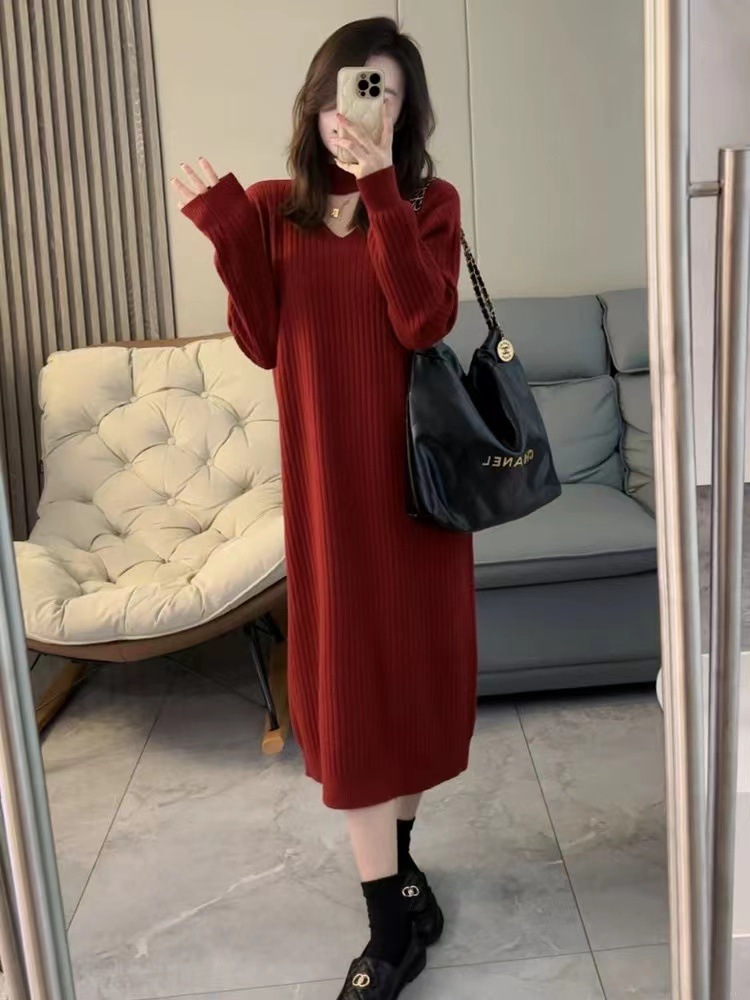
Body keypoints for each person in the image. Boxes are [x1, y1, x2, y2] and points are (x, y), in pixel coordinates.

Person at [172, 16, 478, 999]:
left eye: (385, 93)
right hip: (331, 505)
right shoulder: (275, 210)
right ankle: (391, 932)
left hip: (418, 500)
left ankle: (404, 871)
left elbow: (422, 318)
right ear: (317, 101)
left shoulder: (428, 205)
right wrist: (231, 238)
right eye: (353, 88)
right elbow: (264, 342)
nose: (364, 109)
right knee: (349, 707)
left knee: (413, 692)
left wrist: (382, 189)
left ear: (407, 113)